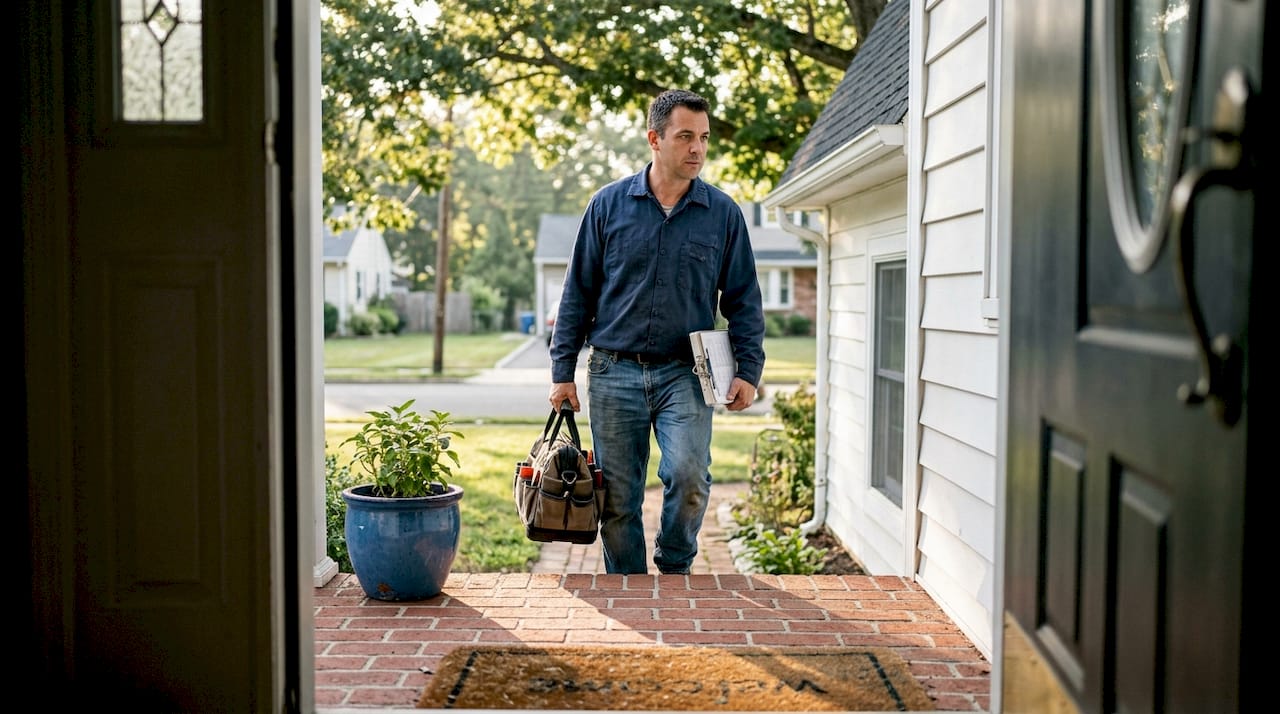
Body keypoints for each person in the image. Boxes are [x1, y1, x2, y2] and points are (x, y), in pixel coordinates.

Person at [548, 88, 766, 575]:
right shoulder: (607, 206)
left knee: (689, 477)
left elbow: (744, 300)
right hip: (612, 372)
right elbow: (576, 294)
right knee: (619, 498)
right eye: (686, 137)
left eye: (704, 138)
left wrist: (748, 369)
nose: (698, 149)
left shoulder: (723, 215)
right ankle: (628, 584)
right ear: (655, 138)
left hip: (687, 375)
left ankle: (673, 571)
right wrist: (562, 372)